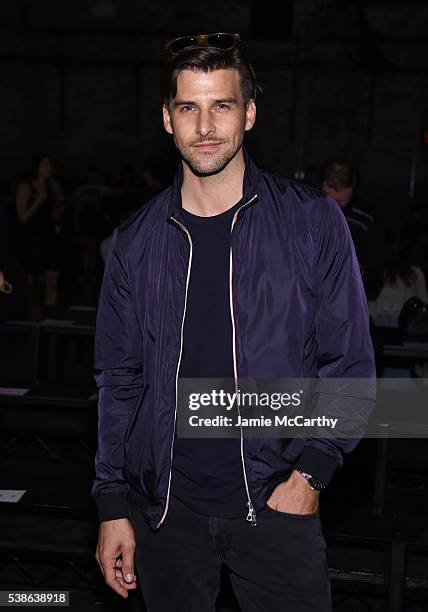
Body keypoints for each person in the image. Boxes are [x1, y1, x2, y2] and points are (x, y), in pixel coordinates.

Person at [92, 33, 376, 612]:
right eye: (188, 108)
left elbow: (349, 363)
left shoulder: (311, 222)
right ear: (167, 120)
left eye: (220, 104)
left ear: (248, 112)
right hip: (167, 516)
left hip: (277, 505)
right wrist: (112, 505)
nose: (205, 126)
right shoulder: (135, 242)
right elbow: (119, 382)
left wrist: (311, 475)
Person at [320, 159, 385, 302]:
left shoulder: (366, 219)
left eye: (341, 202)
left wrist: (361, 296)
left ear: (353, 188)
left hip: (350, 300)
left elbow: (375, 266)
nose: (335, 208)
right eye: (330, 201)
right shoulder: (307, 208)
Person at [15, 154, 65, 307]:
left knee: (53, 281)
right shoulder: (25, 187)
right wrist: (38, 200)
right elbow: (22, 218)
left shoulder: (53, 186)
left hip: (49, 237)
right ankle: (29, 322)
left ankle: (50, 324)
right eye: (45, 165)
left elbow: (54, 214)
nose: (49, 168)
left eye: (49, 165)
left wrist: (59, 206)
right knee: (29, 285)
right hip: (31, 238)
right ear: (36, 168)